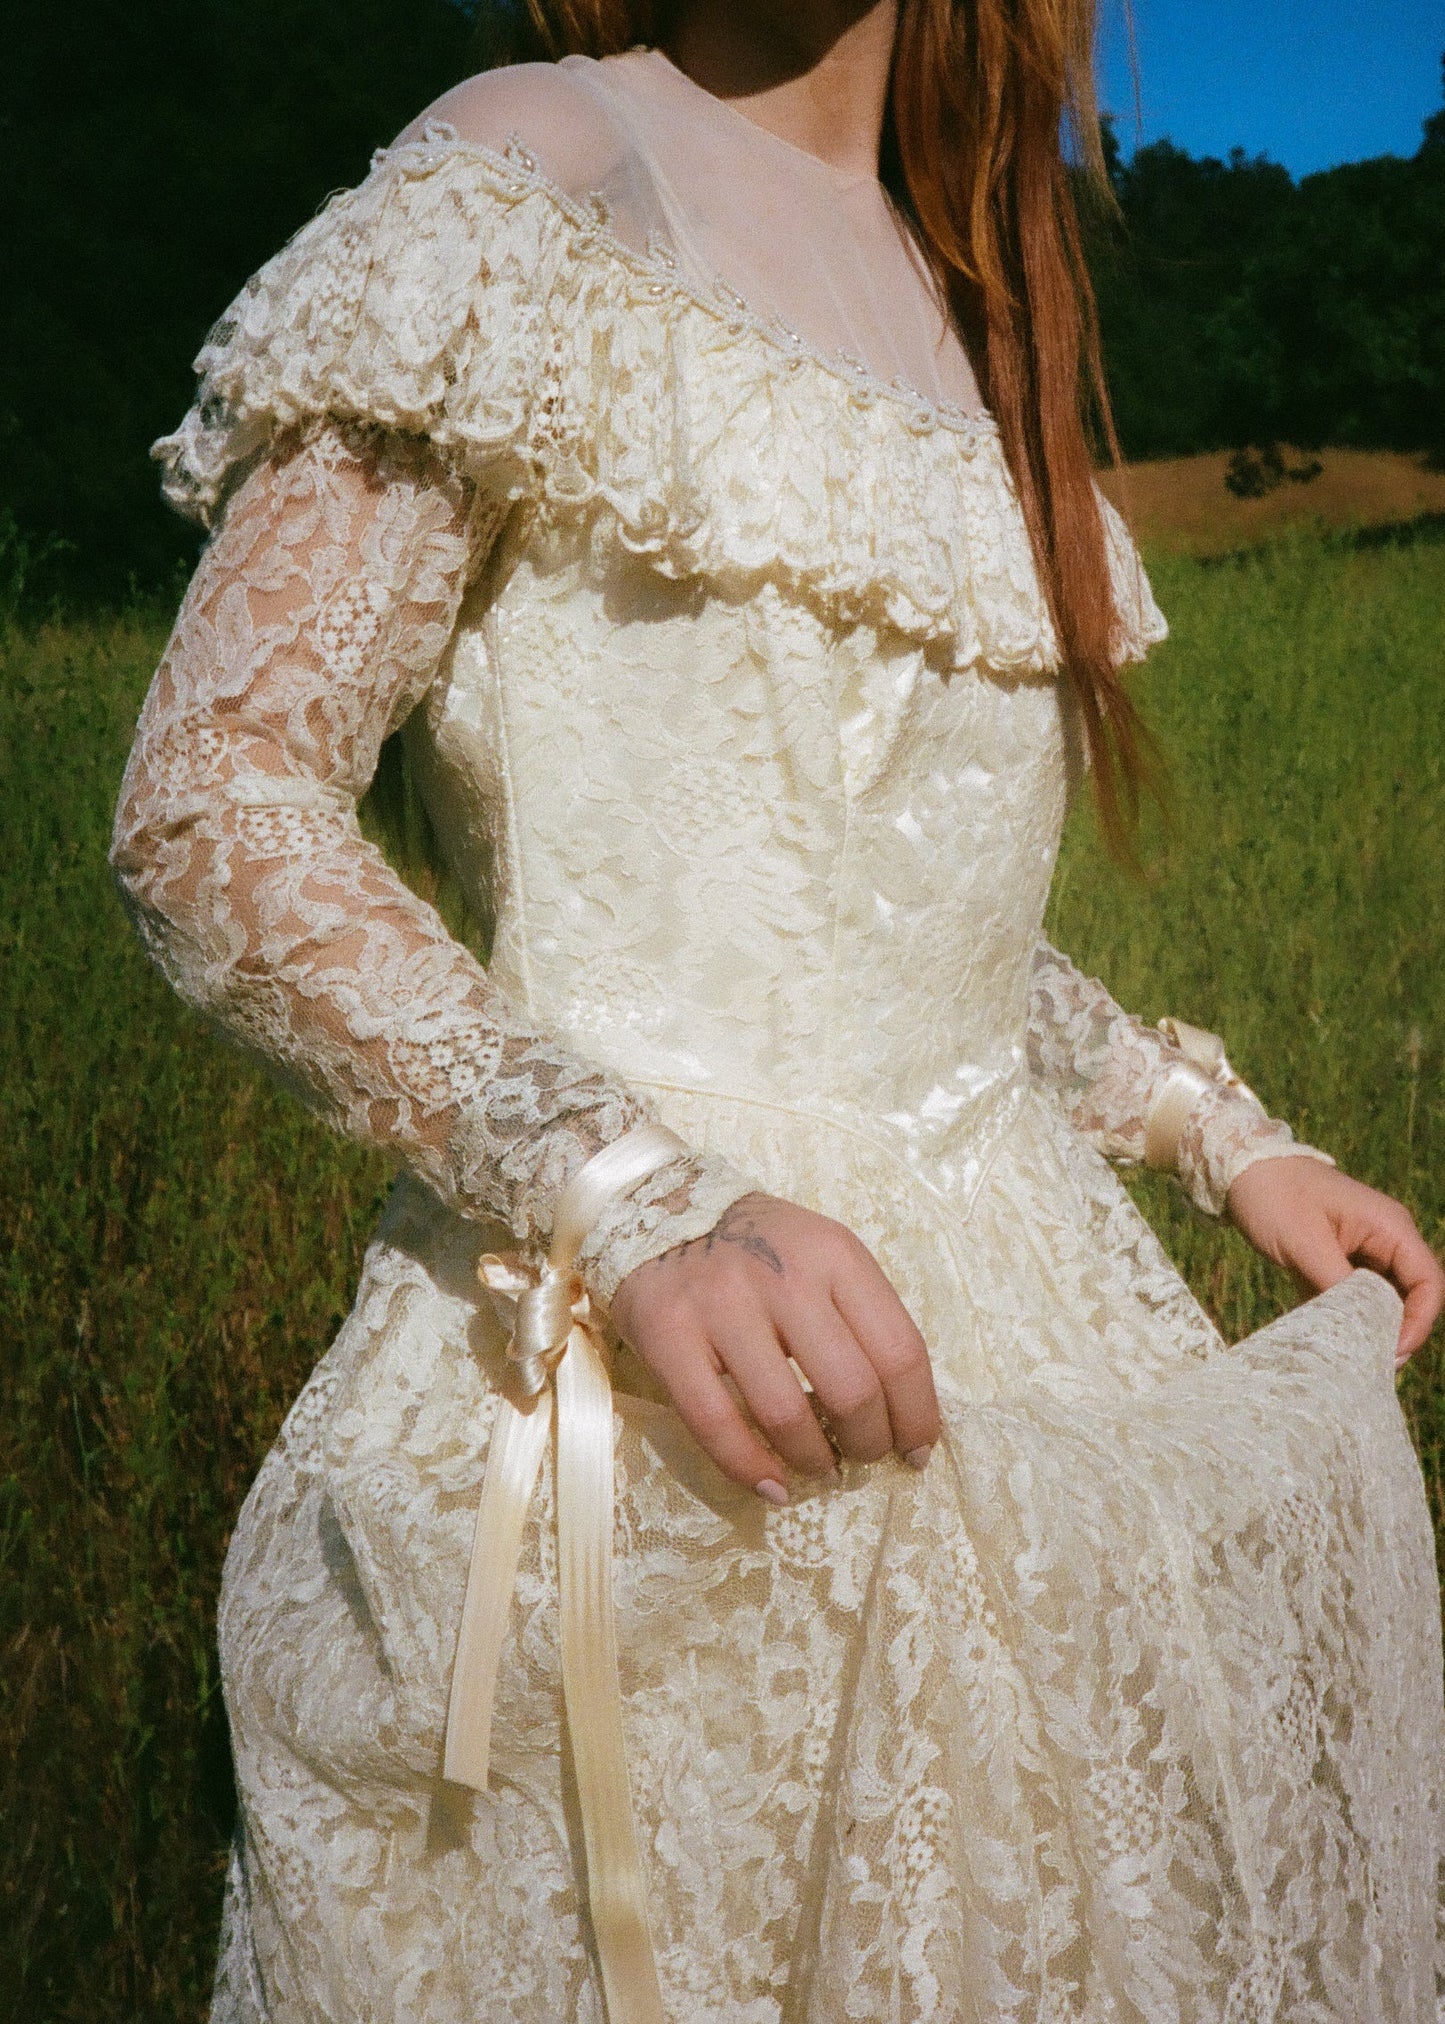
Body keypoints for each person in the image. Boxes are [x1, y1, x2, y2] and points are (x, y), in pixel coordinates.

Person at [111, 2, 1445, 2018]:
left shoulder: (969, 296)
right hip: (657, 1419)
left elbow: (920, 937)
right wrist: (631, 1197)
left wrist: (1210, 1130)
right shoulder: (538, 166)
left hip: (1028, 1364)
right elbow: (215, 797)